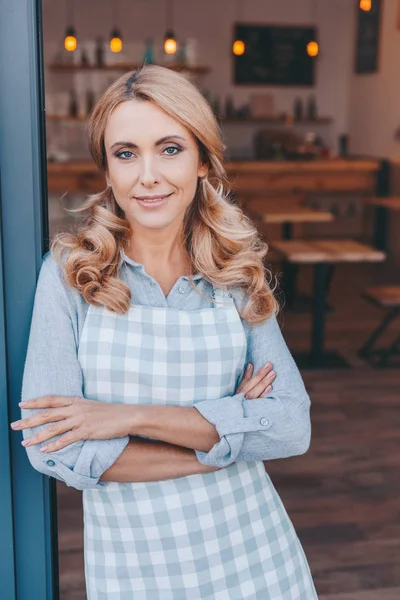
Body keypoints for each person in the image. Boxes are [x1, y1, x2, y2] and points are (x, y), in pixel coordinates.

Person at [11, 65, 317, 599]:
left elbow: (291, 425)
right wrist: (225, 434)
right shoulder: (70, 274)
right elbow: (53, 449)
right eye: (126, 153)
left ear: (202, 161)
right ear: (107, 170)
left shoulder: (235, 274)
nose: (148, 175)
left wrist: (126, 419)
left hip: (258, 558)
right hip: (137, 569)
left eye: (170, 148)